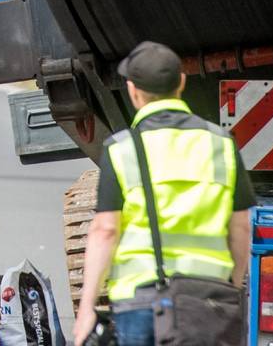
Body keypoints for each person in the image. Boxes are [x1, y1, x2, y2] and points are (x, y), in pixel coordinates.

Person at [71, 42, 253, 346]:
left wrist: (87, 306)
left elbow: (105, 229)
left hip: (141, 301)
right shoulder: (221, 144)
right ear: (181, 82)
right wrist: (232, 285)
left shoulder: (122, 148)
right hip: (208, 302)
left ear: (132, 91)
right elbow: (241, 227)